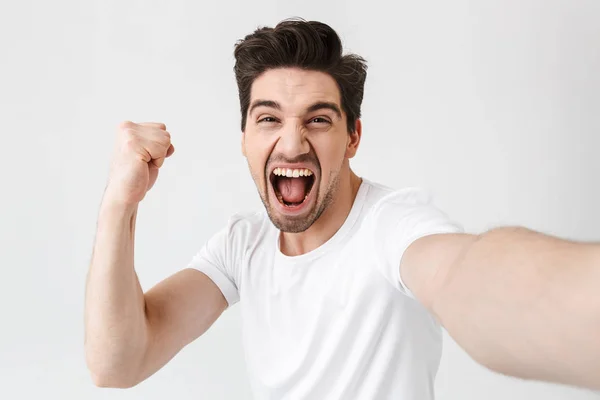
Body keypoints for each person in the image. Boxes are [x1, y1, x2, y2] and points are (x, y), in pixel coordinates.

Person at [84, 18, 600, 398]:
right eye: (268, 119)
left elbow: (471, 277)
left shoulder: (392, 226)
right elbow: (119, 362)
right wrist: (119, 204)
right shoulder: (243, 246)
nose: (290, 144)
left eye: (318, 120)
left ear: (353, 136)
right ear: (244, 137)